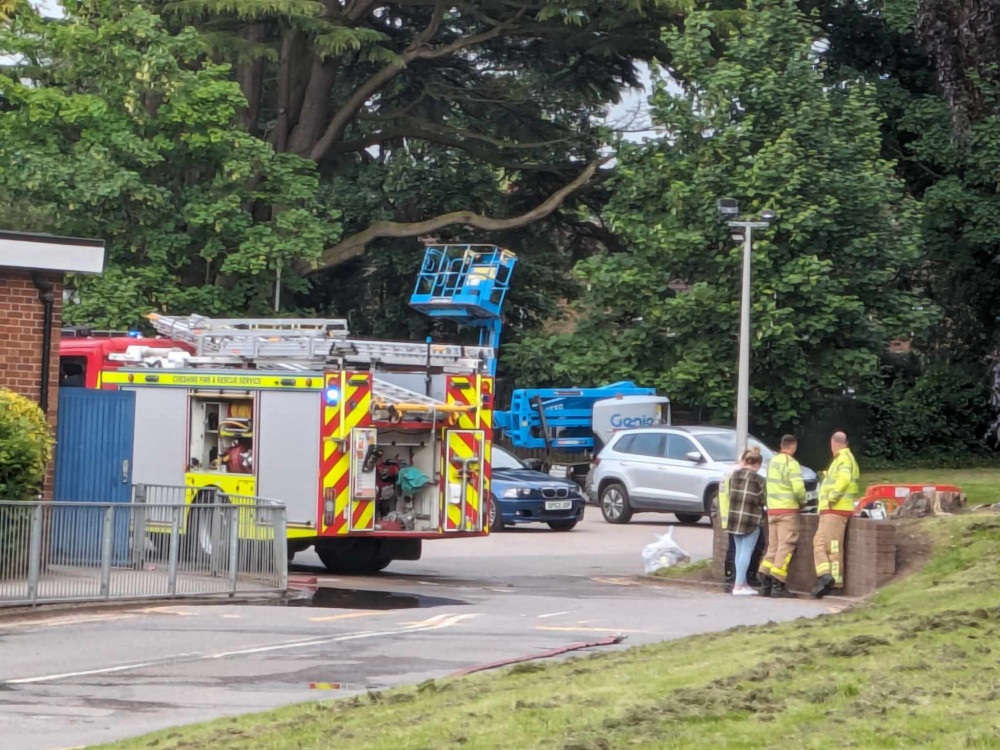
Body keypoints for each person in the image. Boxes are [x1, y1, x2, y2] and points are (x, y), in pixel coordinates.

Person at [812, 431, 860, 598]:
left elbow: (844, 480)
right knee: (832, 546)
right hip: (836, 509)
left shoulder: (843, 459)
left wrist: (831, 498)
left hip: (834, 509)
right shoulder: (845, 458)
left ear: (833, 443)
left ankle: (826, 577)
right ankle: (833, 581)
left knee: (821, 543)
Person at [758, 434, 806, 598]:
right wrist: (803, 502)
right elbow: (798, 489)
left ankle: (764, 579)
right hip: (787, 512)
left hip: (772, 511)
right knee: (786, 546)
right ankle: (778, 583)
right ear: (793, 446)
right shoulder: (791, 464)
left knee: (774, 546)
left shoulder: (772, 463)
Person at [727, 447, 767, 596]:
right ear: (758, 464)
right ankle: (738, 586)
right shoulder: (759, 479)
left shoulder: (734, 475)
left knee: (739, 551)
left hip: (734, 518)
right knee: (747, 552)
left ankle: (741, 582)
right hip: (750, 519)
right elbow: (763, 499)